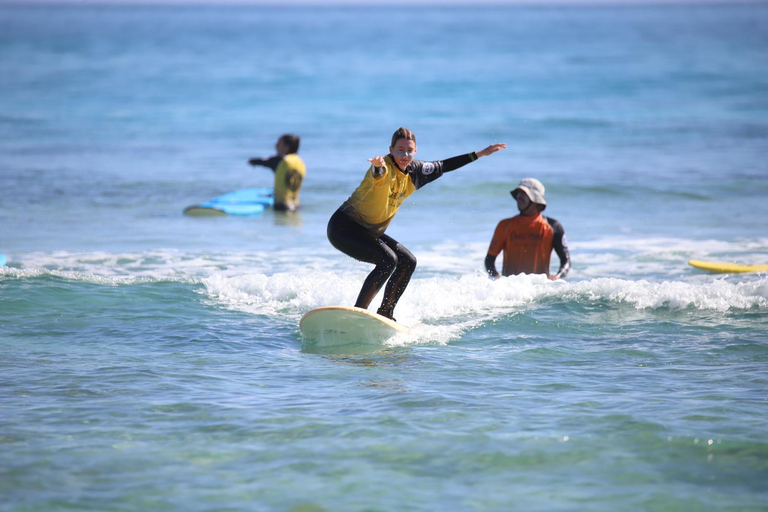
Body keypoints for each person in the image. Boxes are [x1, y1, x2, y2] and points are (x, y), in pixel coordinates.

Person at [327, 127, 506, 320]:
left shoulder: (416, 171)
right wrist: (377, 166)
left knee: (408, 261)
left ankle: (386, 313)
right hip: (344, 227)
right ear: (391, 149)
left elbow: (444, 165)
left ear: (415, 151)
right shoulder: (384, 167)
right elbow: (378, 174)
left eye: (409, 150)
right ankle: (359, 312)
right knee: (388, 260)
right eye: (400, 150)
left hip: (369, 232)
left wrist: (479, 154)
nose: (405, 155)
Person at [485, 178, 570, 280]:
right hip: (510, 289)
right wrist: (497, 278)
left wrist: (557, 277)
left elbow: (566, 261)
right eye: (518, 193)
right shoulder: (504, 225)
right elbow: (489, 260)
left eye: (524, 193)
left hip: (540, 290)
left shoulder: (553, 227)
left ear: (536, 199)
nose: (519, 196)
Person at [248, 134, 306, 212]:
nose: (275, 145)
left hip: (282, 207)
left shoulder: (282, 161)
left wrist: (250, 162)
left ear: (286, 147)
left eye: (279, 143)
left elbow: (259, 161)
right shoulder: (300, 162)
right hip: (295, 207)